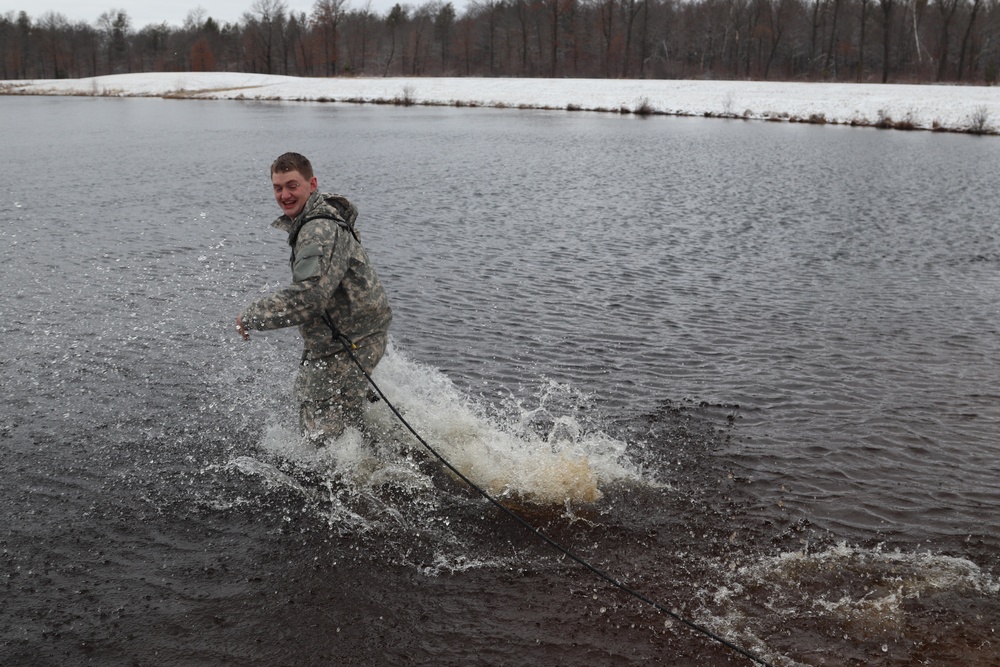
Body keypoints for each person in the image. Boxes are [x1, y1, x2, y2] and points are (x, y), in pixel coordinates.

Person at [236, 152, 392, 445]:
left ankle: (355, 479)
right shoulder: (314, 219)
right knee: (334, 422)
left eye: (292, 185)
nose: (284, 195)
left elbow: (310, 297)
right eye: (278, 187)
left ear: (312, 183)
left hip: (351, 341)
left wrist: (252, 315)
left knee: (322, 438)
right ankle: (369, 455)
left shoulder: (317, 229)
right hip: (344, 337)